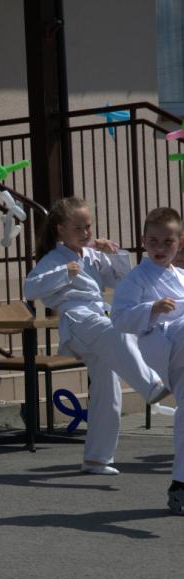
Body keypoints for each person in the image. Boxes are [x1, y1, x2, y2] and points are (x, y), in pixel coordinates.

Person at [24, 196, 168, 475]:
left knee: (107, 388)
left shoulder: (91, 255)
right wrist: (64, 272)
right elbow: (30, 289)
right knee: (118, 331)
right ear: (60, 229)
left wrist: (113, 253)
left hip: (97, 320)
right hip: (78, 320)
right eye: (78, 228)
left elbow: (124, 280)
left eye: (88, 226)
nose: (86, 232)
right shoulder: (53, 259)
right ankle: (151, 385)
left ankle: (97, 458)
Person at [111, 207, 184, 513]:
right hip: (161, 343)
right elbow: (119, 318)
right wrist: (151, 309)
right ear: (143, 242)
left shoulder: (181, 276)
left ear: (179, 243)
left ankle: (180, 484)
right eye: (153, 241)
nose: (160, 248)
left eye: (168, 241)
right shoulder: (136, 278)